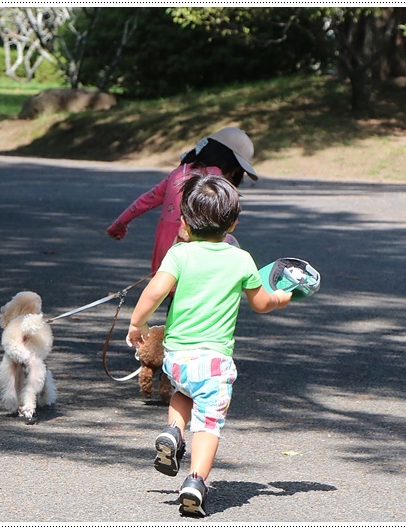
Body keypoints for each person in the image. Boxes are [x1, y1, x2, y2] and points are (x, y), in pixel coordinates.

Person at [125, 174, 291, 517]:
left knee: (183, 393)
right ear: (233, 222)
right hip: (213, 363)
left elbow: (154, 292)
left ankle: (173, 431)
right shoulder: (241, 259)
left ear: (184, 222)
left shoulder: (179, 254)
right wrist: (281, 298)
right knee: (209, 425)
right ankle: (196, 481)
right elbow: (261, 303)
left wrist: (136, 324)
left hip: (177, 359)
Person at [106, 127, 260, 275]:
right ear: (228, 162)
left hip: (165, 244)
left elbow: (146, 200)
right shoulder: (214, 179)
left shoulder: (179, 172)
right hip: (194, 242)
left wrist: (120, 224)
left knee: (170, 290)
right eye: (237, 169)